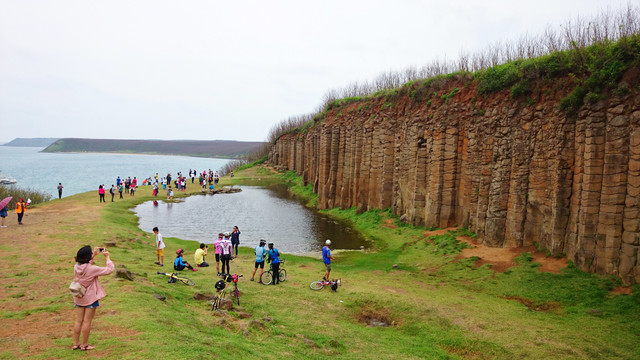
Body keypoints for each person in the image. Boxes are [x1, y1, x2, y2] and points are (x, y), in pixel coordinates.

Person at [72, 245, 114, 351]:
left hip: (79, 296)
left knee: (78, 321)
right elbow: (109, 270)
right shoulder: (93, 269)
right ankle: (84, 345)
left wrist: (93, 255)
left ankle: (76, 344)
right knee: (87, 322)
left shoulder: (76, 267)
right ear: (88, 257)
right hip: (90, 298)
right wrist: (107, 257)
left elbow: (86, 265)